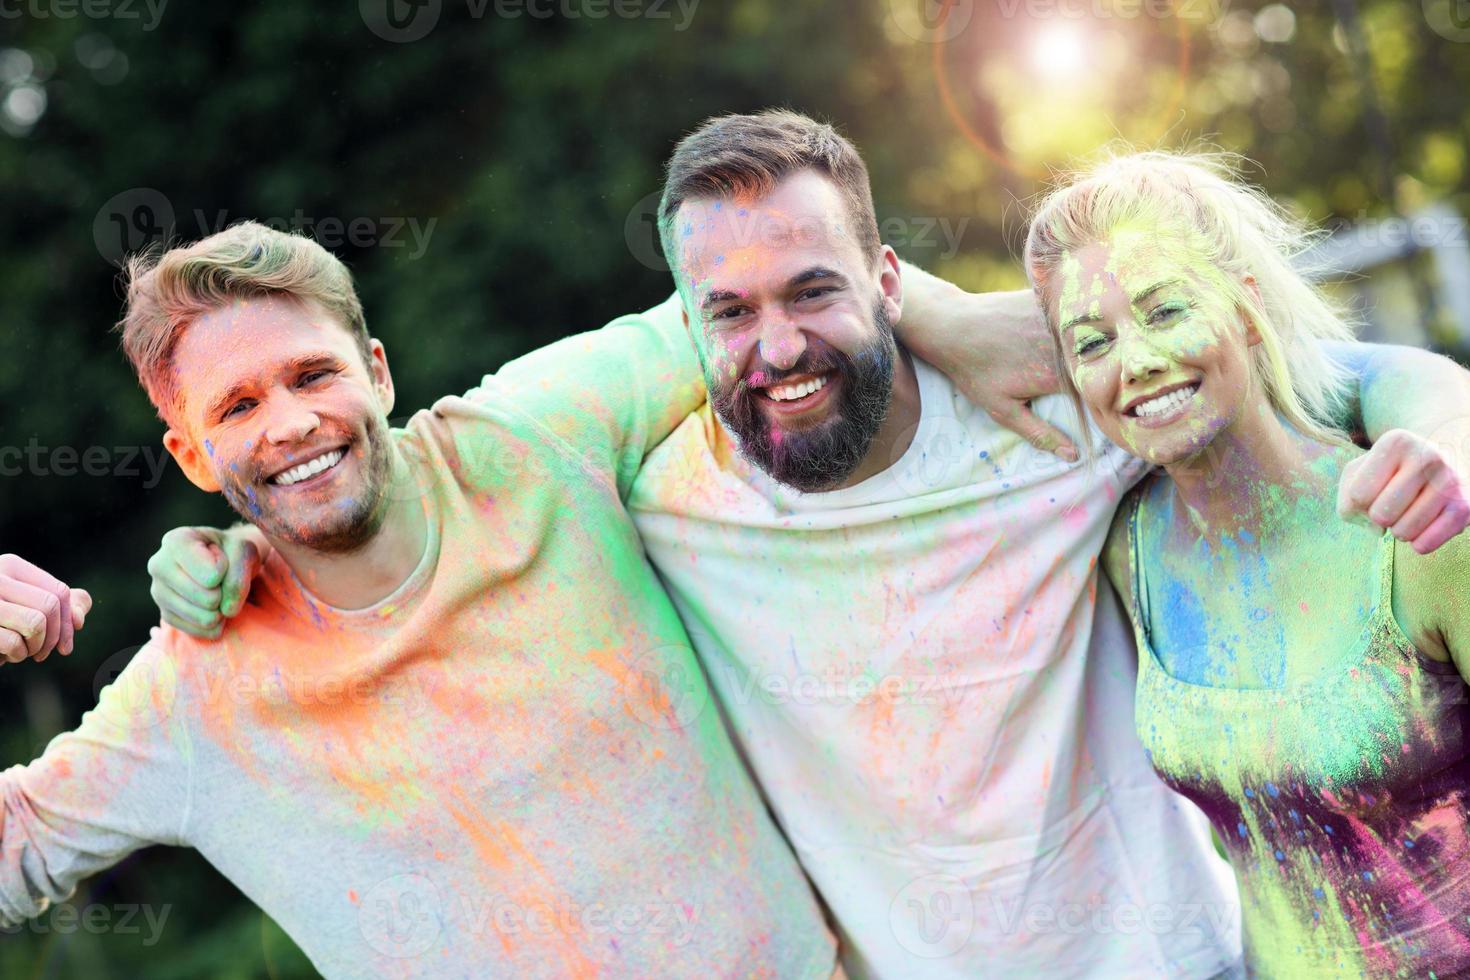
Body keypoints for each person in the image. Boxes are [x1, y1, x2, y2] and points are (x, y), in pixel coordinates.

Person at [151, 111, 1470, 978]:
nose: (774, 345)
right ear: (681, 323)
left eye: (814, 290)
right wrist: (231, 557)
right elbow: (400, 511)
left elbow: (1289, 373)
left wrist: (1443, 418)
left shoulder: (1057, 418)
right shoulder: (651, 510)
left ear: (889, 280)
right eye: (727, 310)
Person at [0, 222, 844, 978]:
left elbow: (767, 289)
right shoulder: (196, 690)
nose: (290, 423)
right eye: (240, 405)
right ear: (192, 457)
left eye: (312, 374)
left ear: (377, 372)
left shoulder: (536, 438)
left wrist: (968, 326)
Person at [1025, 149, 1470, 977]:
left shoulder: (1416, 516)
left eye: (1165, 311)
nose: (1136, 362)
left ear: (1247, 307)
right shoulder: (1127, 555)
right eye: (1093, 343)